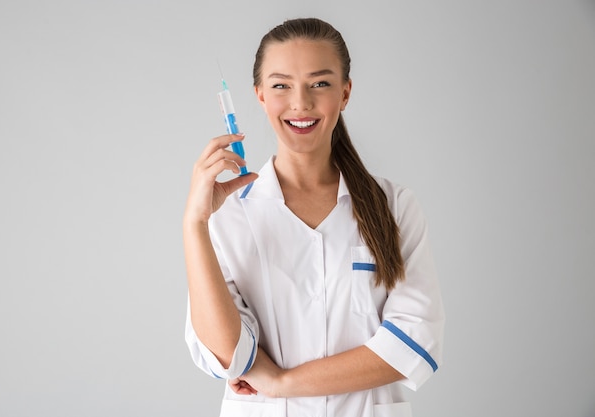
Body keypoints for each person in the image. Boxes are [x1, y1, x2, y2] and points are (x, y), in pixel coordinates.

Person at [184, 17, 444, 417]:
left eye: (319, 83)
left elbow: (411, 344)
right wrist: (194, 225)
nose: (300, 103)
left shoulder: (394, 206)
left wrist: (284, 383)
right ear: (259, 96)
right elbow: (227, 354)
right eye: (281, 85)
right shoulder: (228, 215)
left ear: (345, 92)